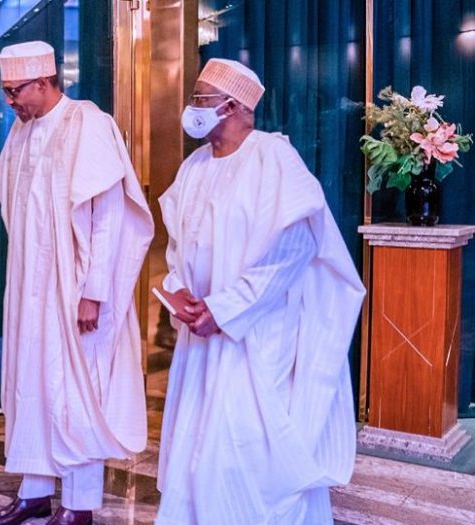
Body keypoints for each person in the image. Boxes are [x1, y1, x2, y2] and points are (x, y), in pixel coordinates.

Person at [155, 58, 365, 524]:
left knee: (243, 450)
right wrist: (180, 291)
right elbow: (178, 247)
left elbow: (292, 251)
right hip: (201, 339)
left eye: (201, 98)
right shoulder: (193, 167)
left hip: (254, 336)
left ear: (232, 106)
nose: (193, 107)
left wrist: (224, 310)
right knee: (198, 448)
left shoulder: (273, 158)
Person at [0, 41, 154, 525]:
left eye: (16, 91)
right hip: (30, 285)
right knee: (31, 381)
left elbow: (110, 215)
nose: (10, 101)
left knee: (78, 390)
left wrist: (94, 291)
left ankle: (79, 504)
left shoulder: (88, 123)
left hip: (76, 287)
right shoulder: (22, 130)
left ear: (44, 82)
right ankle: (34, 491)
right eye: (6, 92)